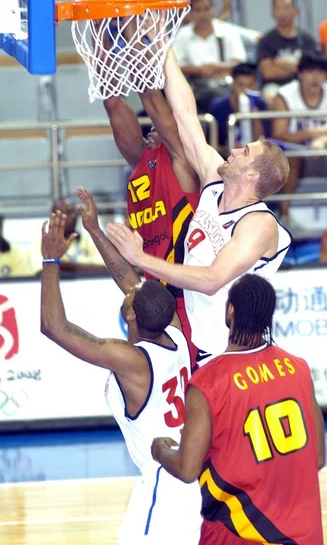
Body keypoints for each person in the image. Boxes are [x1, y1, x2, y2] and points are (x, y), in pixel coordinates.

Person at [107, 48, 291, 363]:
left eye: (244, 151)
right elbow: (186, 116)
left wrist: (138, 257)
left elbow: (211, 280)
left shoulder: (258, 224)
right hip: (204, 343)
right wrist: (164, 48)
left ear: (250, 174)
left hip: (236, 354)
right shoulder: (213, 184)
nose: (233, 150)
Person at [40, 210, 202, 544]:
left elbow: (54, 327)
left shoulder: (132, 360)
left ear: (130, 314)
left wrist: (50, 261)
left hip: (166, 481)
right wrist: (94, 230)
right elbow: (131, 281)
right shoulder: (177, 334)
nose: (128, 289)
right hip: (193, 475)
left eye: (129, 296)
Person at [151, 274, 325, 545]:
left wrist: (161, 451)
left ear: (230, 310)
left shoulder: (208, 381)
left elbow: (187, 469)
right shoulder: (298, 369)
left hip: (237, 533)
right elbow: (318, 458)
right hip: (303, 536)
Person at [104, 0, 201, 366]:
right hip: (151, 289)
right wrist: (100, 19)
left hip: (188, 293)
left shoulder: (183, 154)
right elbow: (113, 100)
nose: (153, 125)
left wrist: (126, 6)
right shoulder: (142, 160)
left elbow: (148, 91)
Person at [272, 50, 327, 226]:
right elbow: (279, 133)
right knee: (289, 157)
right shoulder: (285, 94)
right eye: (310, 71)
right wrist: (309, 134)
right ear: (300, 74)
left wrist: (323, 140)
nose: (315, 77)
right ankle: (285, 213)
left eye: (321, 72)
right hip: (296, 147)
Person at [173, 0, 247, 112]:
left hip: (225, 83)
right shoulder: (183, 35)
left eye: (206, 9)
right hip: (194, 85)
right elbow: (173, 66)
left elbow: (239, 61)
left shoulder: (227, 31)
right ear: (190, 14)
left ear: (213, 11)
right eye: (198, 10)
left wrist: (216, 67)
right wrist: (198, 70)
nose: (203, 14)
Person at [257, 0, 318, 104]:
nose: (282, 13)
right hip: (275, 85)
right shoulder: (266, 40)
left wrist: (280, 63)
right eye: (278, 8)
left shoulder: (307, 40)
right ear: (272, 13)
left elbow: (312, 71)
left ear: (296, 11)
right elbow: (268, 72)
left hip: (303, 85)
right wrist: (297, 67)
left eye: (286, 8)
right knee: (270, 97)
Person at [209, 62, 270, 148]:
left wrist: (255, 116)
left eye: (250, 86)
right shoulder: (218, 107)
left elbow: (264, 142)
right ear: (233, 85)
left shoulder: (261, 105)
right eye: (240, 85)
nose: (245, 90)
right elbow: (213, 144)